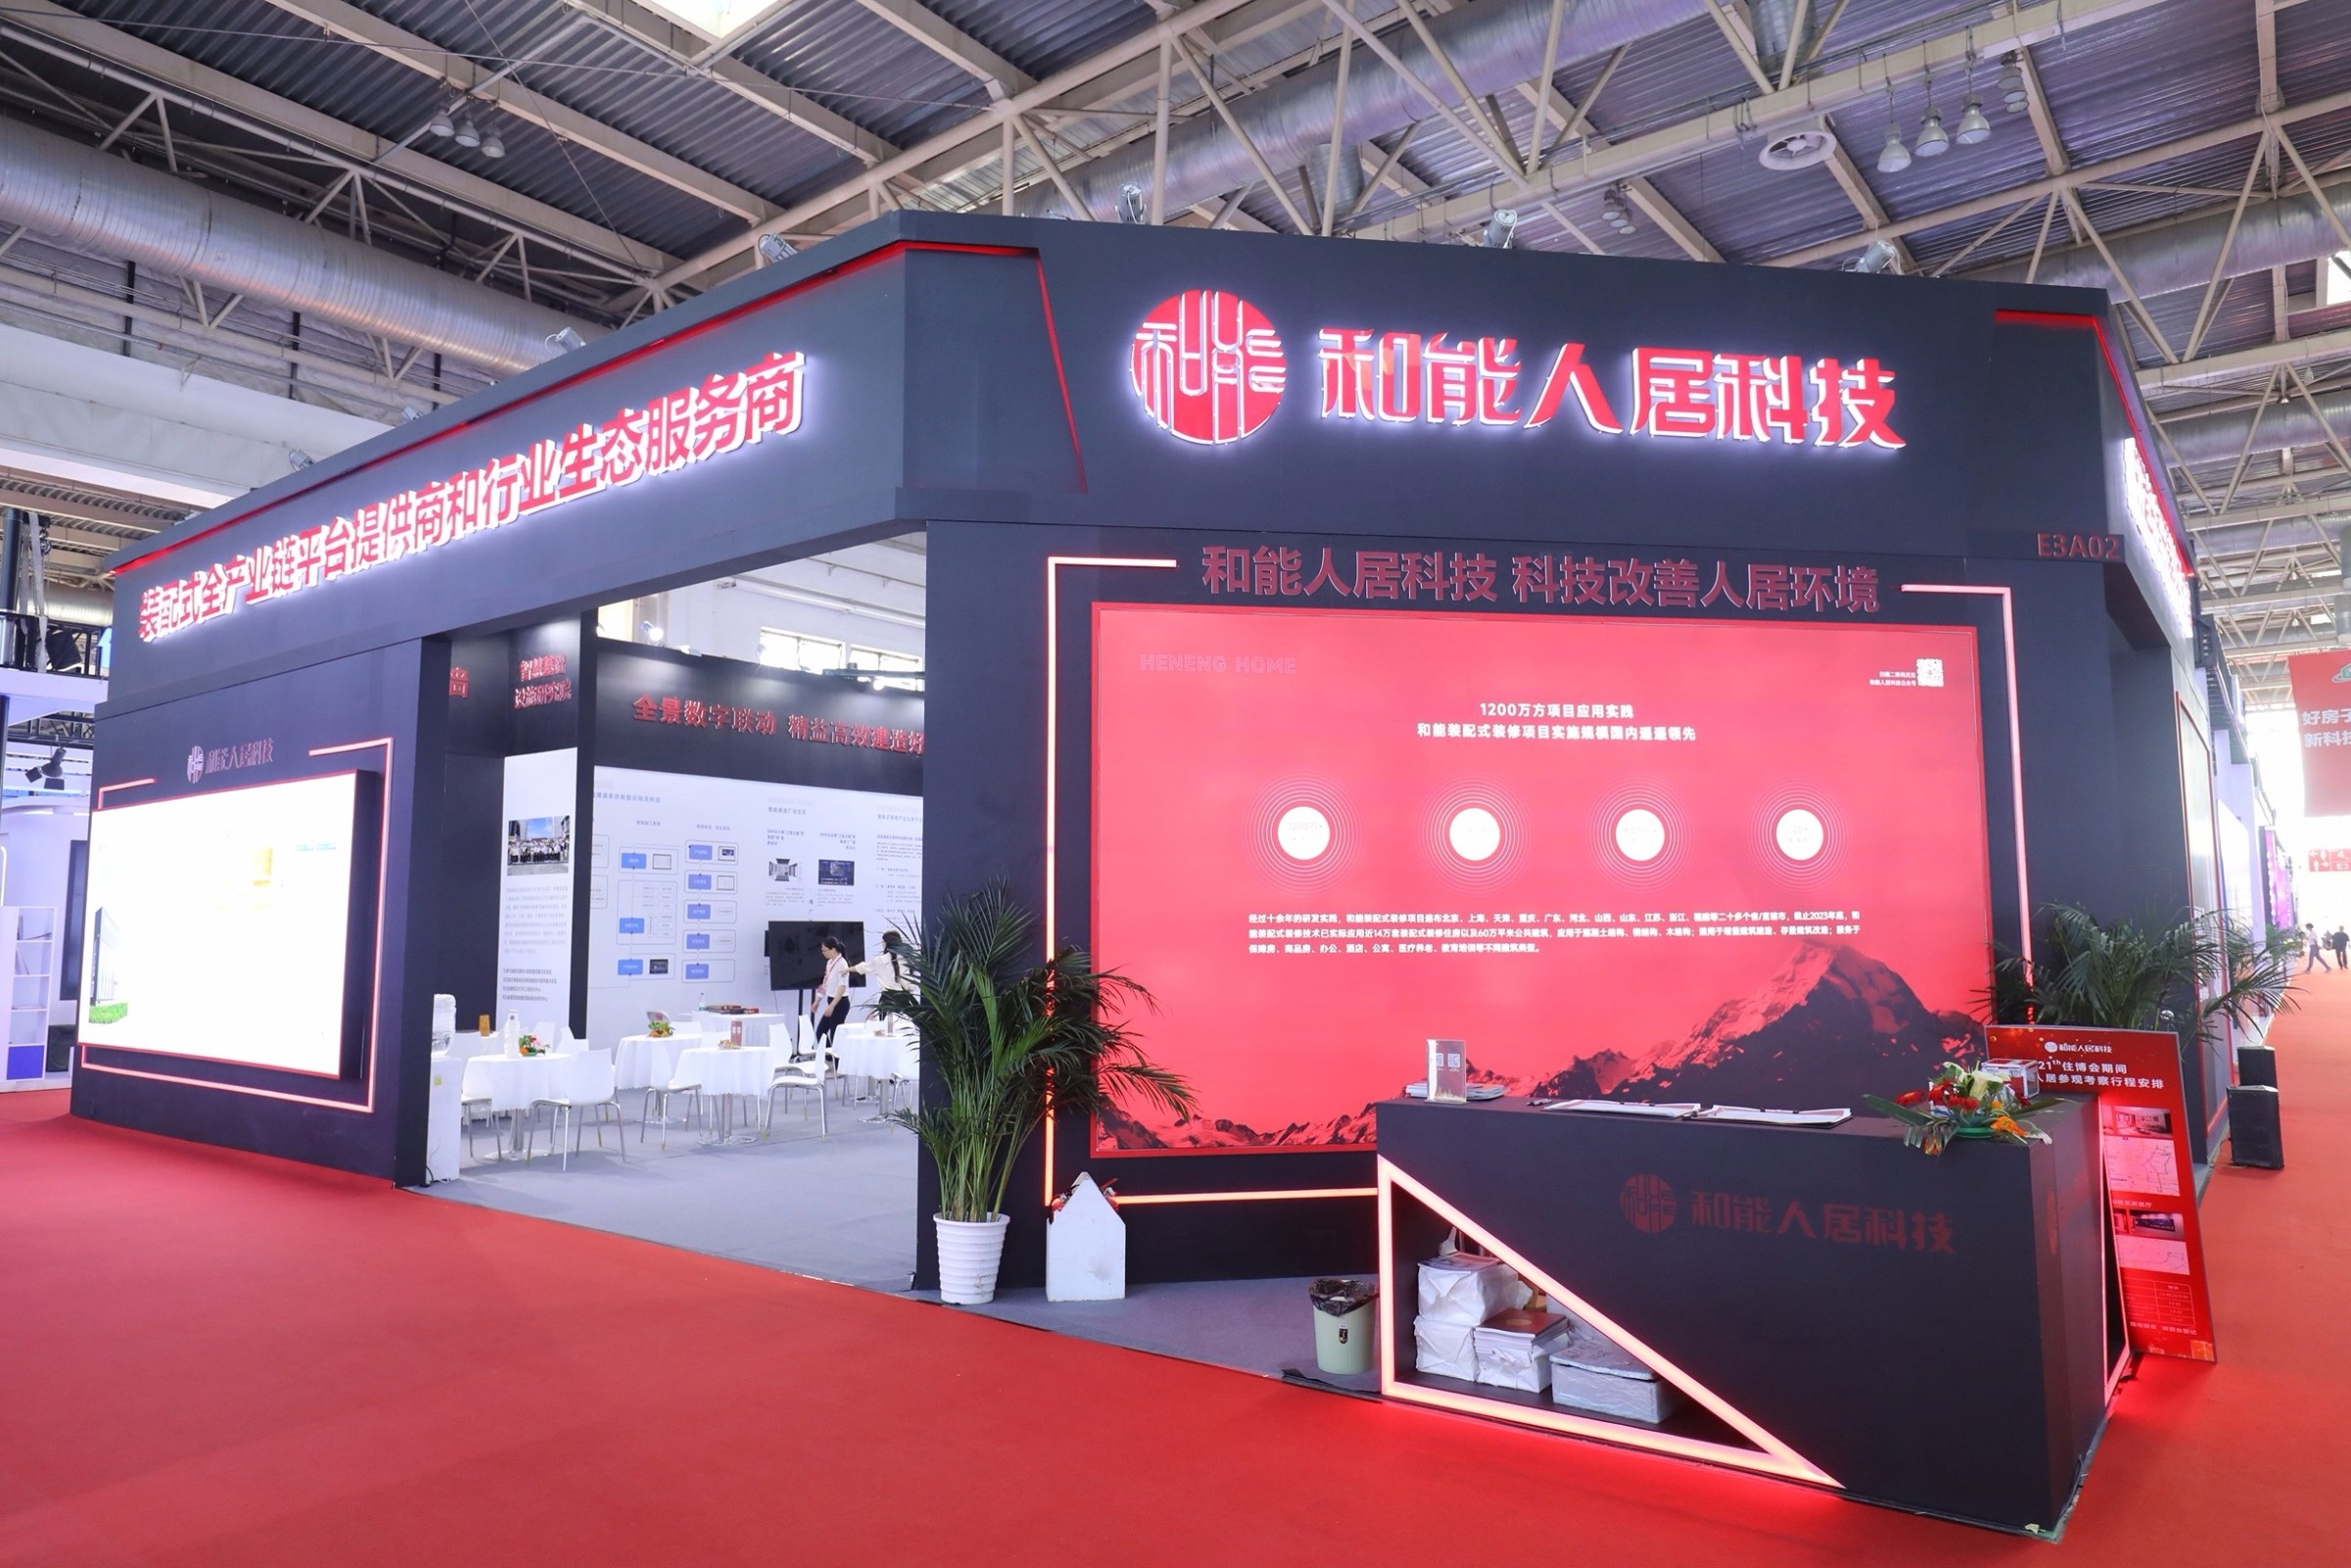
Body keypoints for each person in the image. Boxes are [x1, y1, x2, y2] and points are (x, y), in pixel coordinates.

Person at [810, 936, 853, 1054]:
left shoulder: (842, 964)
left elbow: (842, 987)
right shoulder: (829, 963)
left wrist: (832, 1005)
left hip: (840, 1003)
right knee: (821, 1032)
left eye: (824, 950)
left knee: (835, 1035)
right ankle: (830, 1057)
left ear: (833, 949)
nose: (823, 953)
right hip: (831, 1000)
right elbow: (825, 983)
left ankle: (838, 1061)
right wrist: (817, 1001)